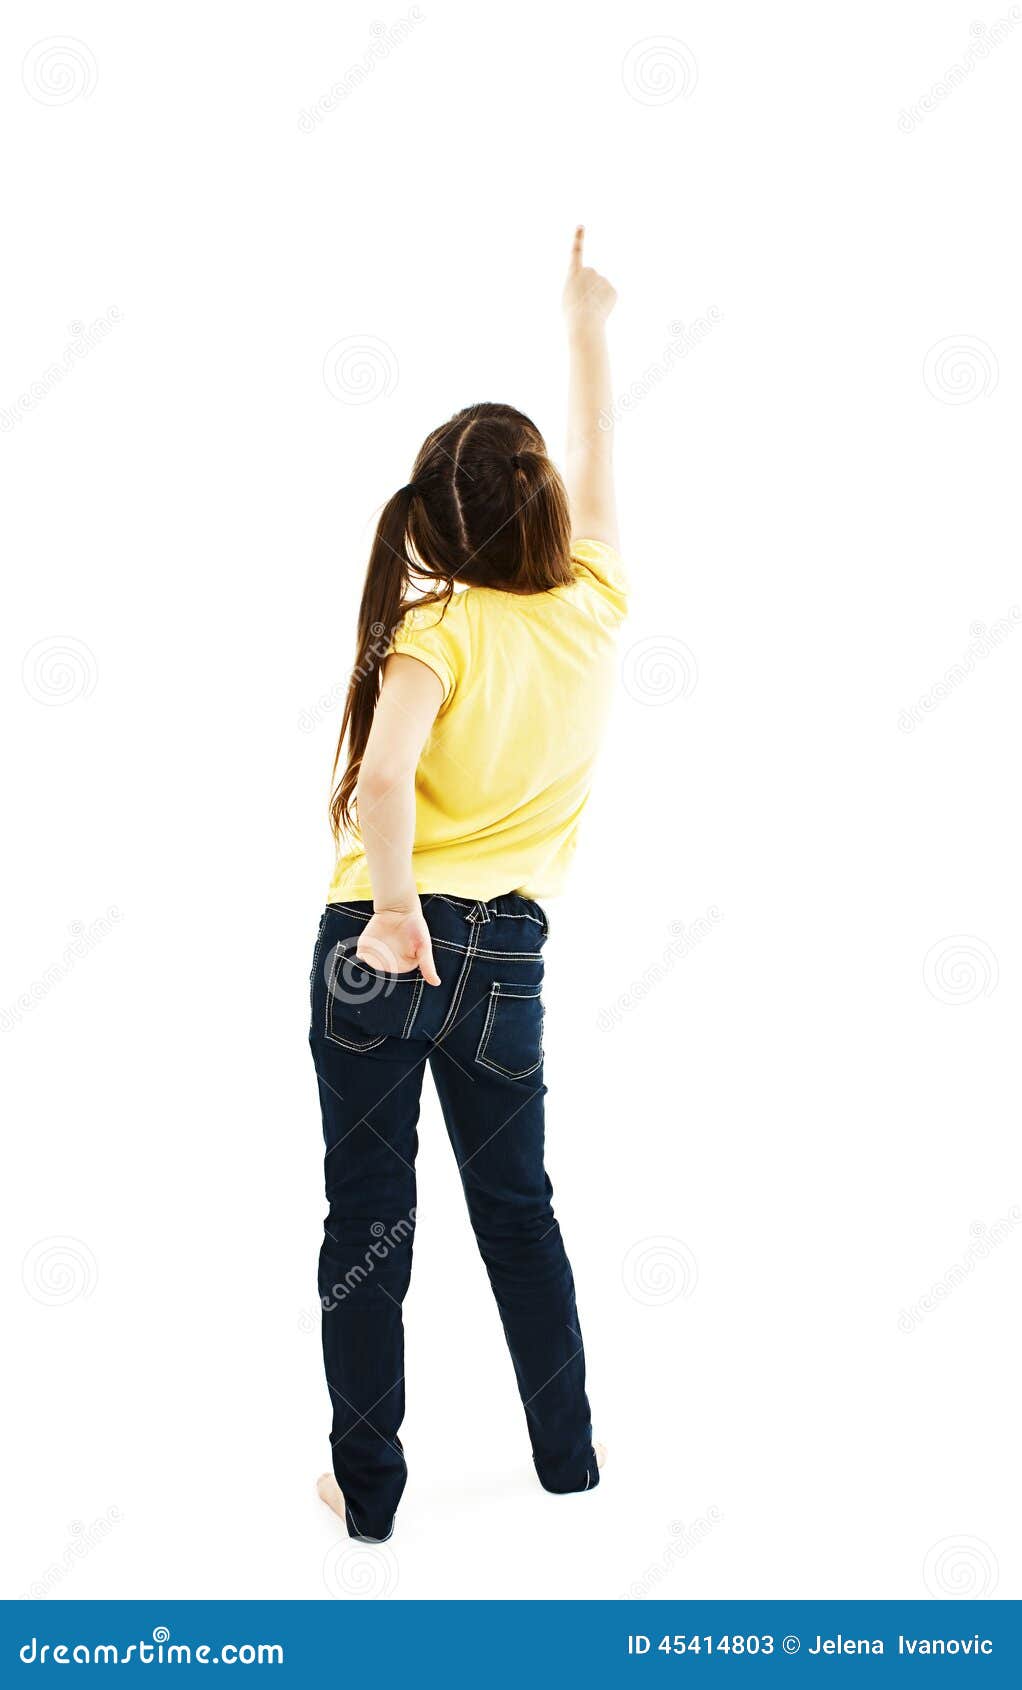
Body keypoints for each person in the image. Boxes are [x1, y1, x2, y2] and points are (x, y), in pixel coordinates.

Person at [310, 227, 624, 1542]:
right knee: (519, 1209)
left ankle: (366, 1492)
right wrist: (586, 322)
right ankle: (566, 1461)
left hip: (381, 948)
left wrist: (390, 910)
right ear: (541, 503)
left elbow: (382, 783)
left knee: (368, 1220)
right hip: (507, 957)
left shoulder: (432, 627)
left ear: (433, 524)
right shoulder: (590, 605)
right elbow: (601, 458)